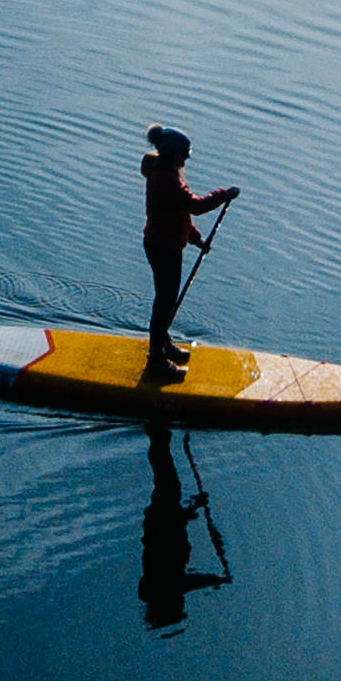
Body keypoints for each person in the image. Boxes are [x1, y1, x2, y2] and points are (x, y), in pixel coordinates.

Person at [139, 123, 236, 368]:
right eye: (184, 154)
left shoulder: (167, 173)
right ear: (173, 154)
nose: (186, 159)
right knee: (165, 300)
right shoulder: (166, 178)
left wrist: (196, 240)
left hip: (164, 243)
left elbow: (179, 214)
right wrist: (223, 195)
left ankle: (163, 343)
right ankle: (156, 358)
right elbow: (194, 206)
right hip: (163, 247)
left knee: (167, 298)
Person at [134, 423, 227, 632]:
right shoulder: (164, 588)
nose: (182, 603)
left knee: (167, 483)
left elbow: (186, 582)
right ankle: (159, 437)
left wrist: (215, 579)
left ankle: (158, 436)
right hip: (164, 523)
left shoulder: (164, 587)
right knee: (167, 482)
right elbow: (188, 583)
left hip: (162, 523)